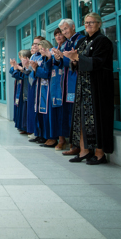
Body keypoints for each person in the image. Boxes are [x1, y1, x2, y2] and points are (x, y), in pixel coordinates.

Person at [64, 13, 114, 165]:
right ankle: (84, 150)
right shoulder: (83, 41)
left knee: (98, 119)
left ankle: (99, 153)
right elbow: (75, 63)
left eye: (92, 22)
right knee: (80, 119)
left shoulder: (103, 41)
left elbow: (98, 62)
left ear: (99, 24)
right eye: (86, 23)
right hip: (82, 86)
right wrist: (73, 59)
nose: (88, 25)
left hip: (97, 86)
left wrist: (78, 58)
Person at [51, 18, 85, 156]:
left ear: (73, 27)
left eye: (65, 29)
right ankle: (72, 143)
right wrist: (58, 58)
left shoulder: (80, 40)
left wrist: (63, 58)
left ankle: (77, 145)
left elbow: (75, 60)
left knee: (75, 114)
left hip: (75, 80)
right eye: (62, 30)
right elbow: (63, 62)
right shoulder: (67, 43)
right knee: (68, 114)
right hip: (65, 83)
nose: (64, 32)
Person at [27, 36, 46, 143]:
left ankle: (43, 134)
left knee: (41, 110)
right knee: (35, 110)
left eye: (37, 44)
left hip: (42, 86)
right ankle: (37, 132)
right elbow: (30, 71)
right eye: (34, 44)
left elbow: (44, 71)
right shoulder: (34, 56)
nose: (35, 46)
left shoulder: (43, 57)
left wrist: (35, 69)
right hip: (33, 85)